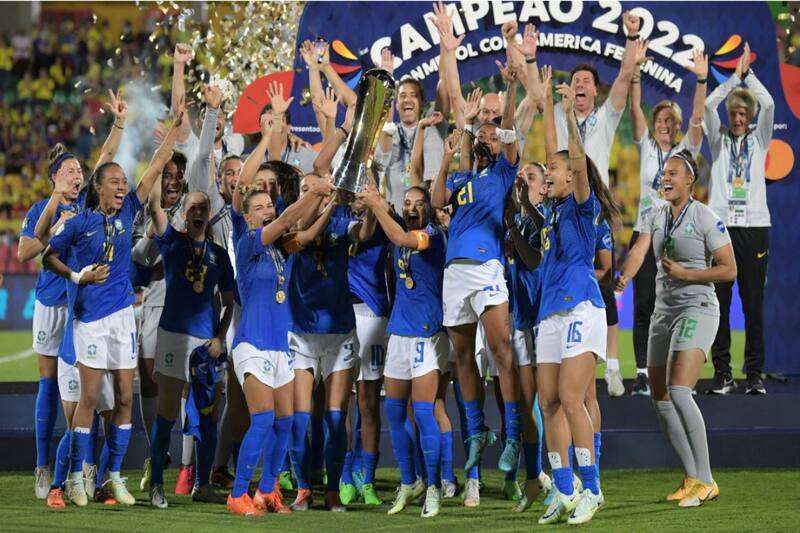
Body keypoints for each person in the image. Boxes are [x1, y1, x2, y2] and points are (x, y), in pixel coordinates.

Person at [42, 106, 183, 508]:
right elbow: (48, 255)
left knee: (124, 397)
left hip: (123, 317)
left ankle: (114, 476)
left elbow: (155, 168)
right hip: (89, 319)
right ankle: (71, 477)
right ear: (98, 187)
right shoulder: (77, 222)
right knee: (88, 401)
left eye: (125, 182)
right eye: (115, 182)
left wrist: (173, 131)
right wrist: (77, 277)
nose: (123, 187)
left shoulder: (128, 211)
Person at [18, 90, 127, 500]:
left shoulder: (85, 204)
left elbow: (105, 161)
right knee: (51, 385)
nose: (77, 175)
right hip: (52, 303)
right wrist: (51, 211)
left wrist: (117, 123)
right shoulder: (40, 210)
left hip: (85, 305)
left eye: (79, 171)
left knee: (91, 392)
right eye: (68, 171)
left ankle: (87, 464)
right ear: (54, 178)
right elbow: (27, 251)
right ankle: (45, 464)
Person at [616, 150, 736, 507]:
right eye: (663, 173)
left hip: (697, 308)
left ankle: (708, 480)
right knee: (661, 399)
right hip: (663, 313)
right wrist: (623, 277)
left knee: (679, 390)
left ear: (689, 181)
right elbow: (639, 250)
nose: (665, 178)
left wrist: (688, 275)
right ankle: (692, 477)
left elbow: (729, 269)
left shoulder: (705, 217)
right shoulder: (655, 213)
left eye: (673, 173)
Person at [430, 40, 522, 500]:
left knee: (502, 350)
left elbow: (508, 135)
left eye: (491, 133)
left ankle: (511, 439)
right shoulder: (464, 177)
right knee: (462, 359)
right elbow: (434, 201)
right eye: (480, 134)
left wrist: (507, 85)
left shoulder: (504, 175)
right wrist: (451, 150)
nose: (485, 137)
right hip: (454, 273)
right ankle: (475, 438)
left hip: (487, 266)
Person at [536, 72, 619, 526]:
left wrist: (568, 114)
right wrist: (542, 99)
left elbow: (578, 162)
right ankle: (564, 491)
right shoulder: (549, 212)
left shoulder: (583, 207)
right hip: (549, 313)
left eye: (554, 169)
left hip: (582, 306)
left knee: (571, 399)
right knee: (547, 401)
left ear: (572, 177)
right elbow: (557, 155)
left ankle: (592, 487)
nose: (547, 172)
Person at [226, 178, 335, 516]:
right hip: (252, 345)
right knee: (262, 420)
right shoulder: (247, 244)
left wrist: (329, 201)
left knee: (285, 422)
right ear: (247, 218)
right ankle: (237, 495)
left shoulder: (280, 248)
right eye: (258, 208)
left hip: (279, 345)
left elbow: (304, 232)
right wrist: (315, 192)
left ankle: (267, 492)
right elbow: (290, 220)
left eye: (268, 206)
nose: (266, 211)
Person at [284, 173, 376, 512]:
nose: (316, 194)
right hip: (302, 332)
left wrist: (368, 208)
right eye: (308, 190)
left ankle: (334, 488)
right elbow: (303, 239)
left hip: (339, 331)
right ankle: (304, 488)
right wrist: (325, 203)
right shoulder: (290, 219)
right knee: (300, 416)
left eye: (319, 189)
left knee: (337, 416)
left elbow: (363, 234)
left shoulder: (340, 217)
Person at [358, 184, 448, 518]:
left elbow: (400, 238)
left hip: (427, 333)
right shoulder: (399, 227)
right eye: (407, 203)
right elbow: (382, 228)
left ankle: (435, 485)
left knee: (424, 413)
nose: (412, 208)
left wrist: (377, 204)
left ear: (428, 209)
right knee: (394, 413)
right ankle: (410, 482)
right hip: (398, 332)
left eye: (418, 204)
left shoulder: (432, 236)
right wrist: (374, 200)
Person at [629, 45, 707, 396]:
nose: (663, 125)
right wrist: (636, 73)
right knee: (643, 303)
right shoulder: (646, 144)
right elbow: (634, 107)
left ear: (675, 126)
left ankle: (674, 373)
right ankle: (643, 373)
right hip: (644, 232)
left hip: (677, 238)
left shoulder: (685, 153)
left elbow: (697, 120)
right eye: (659, 120)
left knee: (674, 304)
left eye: (669, 122)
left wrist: (701, 80)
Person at [704, 43, 773, 395]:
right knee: (719, 303)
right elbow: (706, 105)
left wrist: (749, 76)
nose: (737, 118)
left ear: (750, 117)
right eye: (734, 113)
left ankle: (755, 374)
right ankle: (723, 374)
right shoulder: (718, 142)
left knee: (752, 303)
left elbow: (770, 105)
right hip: (721, 228)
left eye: (744, 114)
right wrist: (733, 79)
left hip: (755, 227)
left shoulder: (760, 141)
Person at [131, 151, 187, 491]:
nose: (172, 179)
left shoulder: (195, 208)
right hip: (153, 303)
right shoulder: (142, 215)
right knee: (150, 380)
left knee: (188, 386)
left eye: (177, 174)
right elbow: (139, 258)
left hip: (189, 307)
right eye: (166, 174)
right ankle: (156, 453)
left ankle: (189, 464)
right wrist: (157, 227)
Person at [549, 12, 641, 186]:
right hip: (564, 195)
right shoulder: (558, 111)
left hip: (597, 200)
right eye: (575, 81)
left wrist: (632, 35)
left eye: (586, 81)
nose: (580, 84)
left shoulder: (606, 115)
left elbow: (625, 75)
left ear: (595, 91)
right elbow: (535, 93)